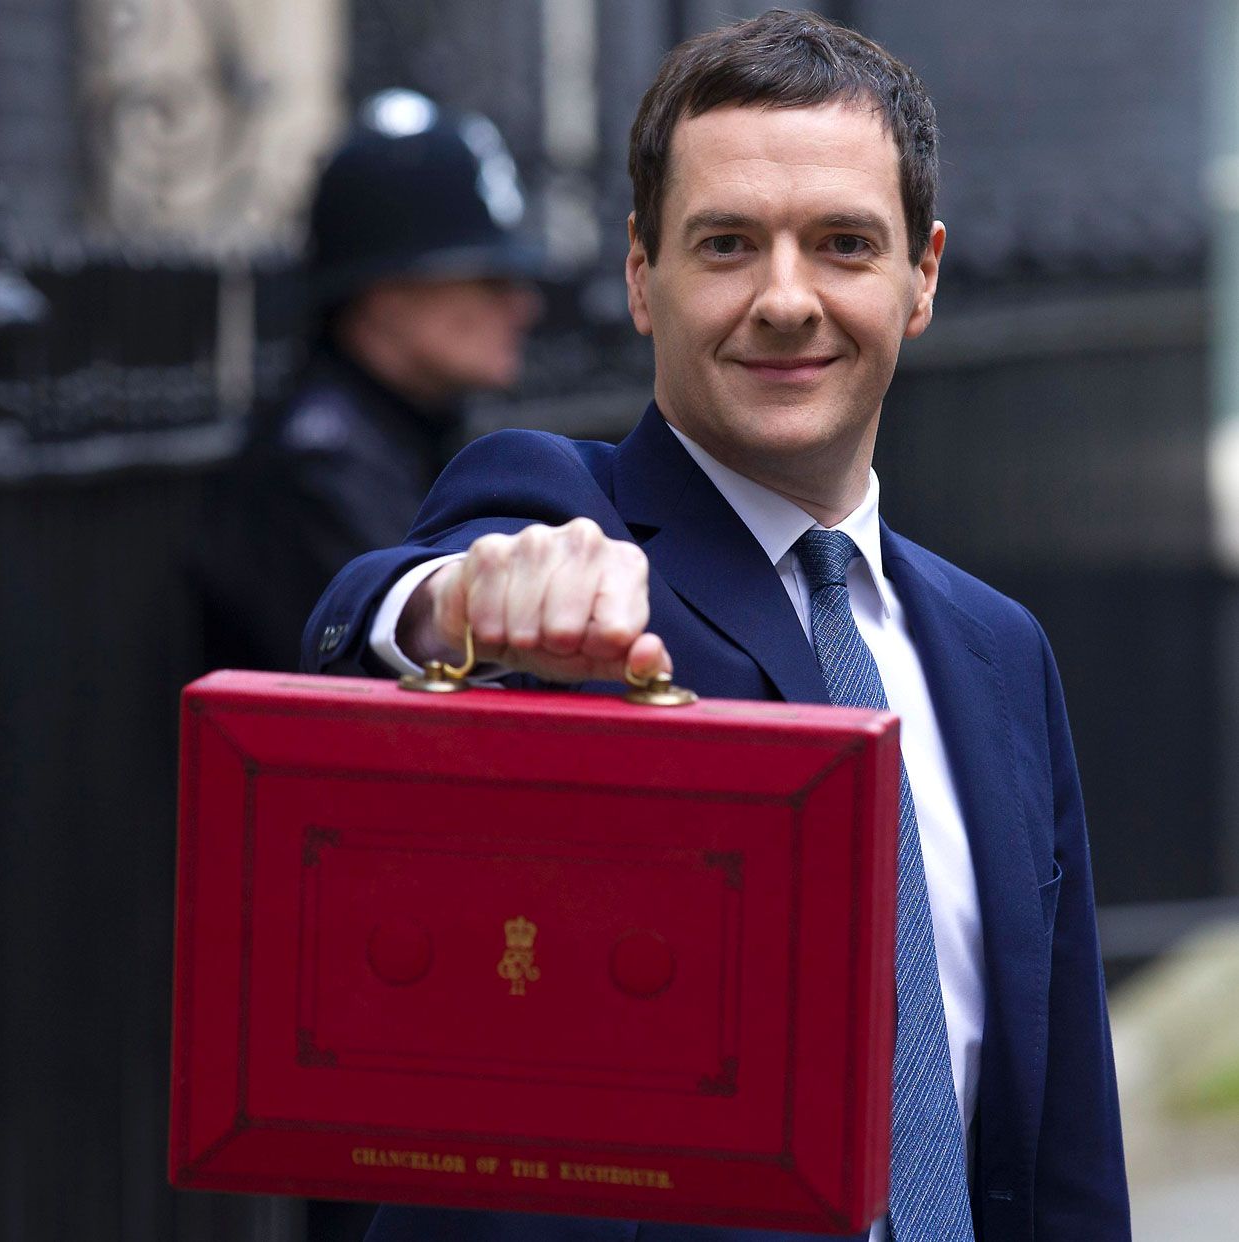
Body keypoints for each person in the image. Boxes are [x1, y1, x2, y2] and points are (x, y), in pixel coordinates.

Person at [303, 11, 1130, 1242]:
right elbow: (385, 602)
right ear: (644, 277)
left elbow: (1058, 1137)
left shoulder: (998, 650)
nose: (786, 299)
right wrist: (458, 607)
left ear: (925, 278)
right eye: (728, 244)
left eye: (844, 244)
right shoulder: (555, 512)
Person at [196, 89, 543, 672]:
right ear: (385, 300)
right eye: (488, 279)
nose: (523, 306)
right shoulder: (321, 471)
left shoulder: (402, 432)